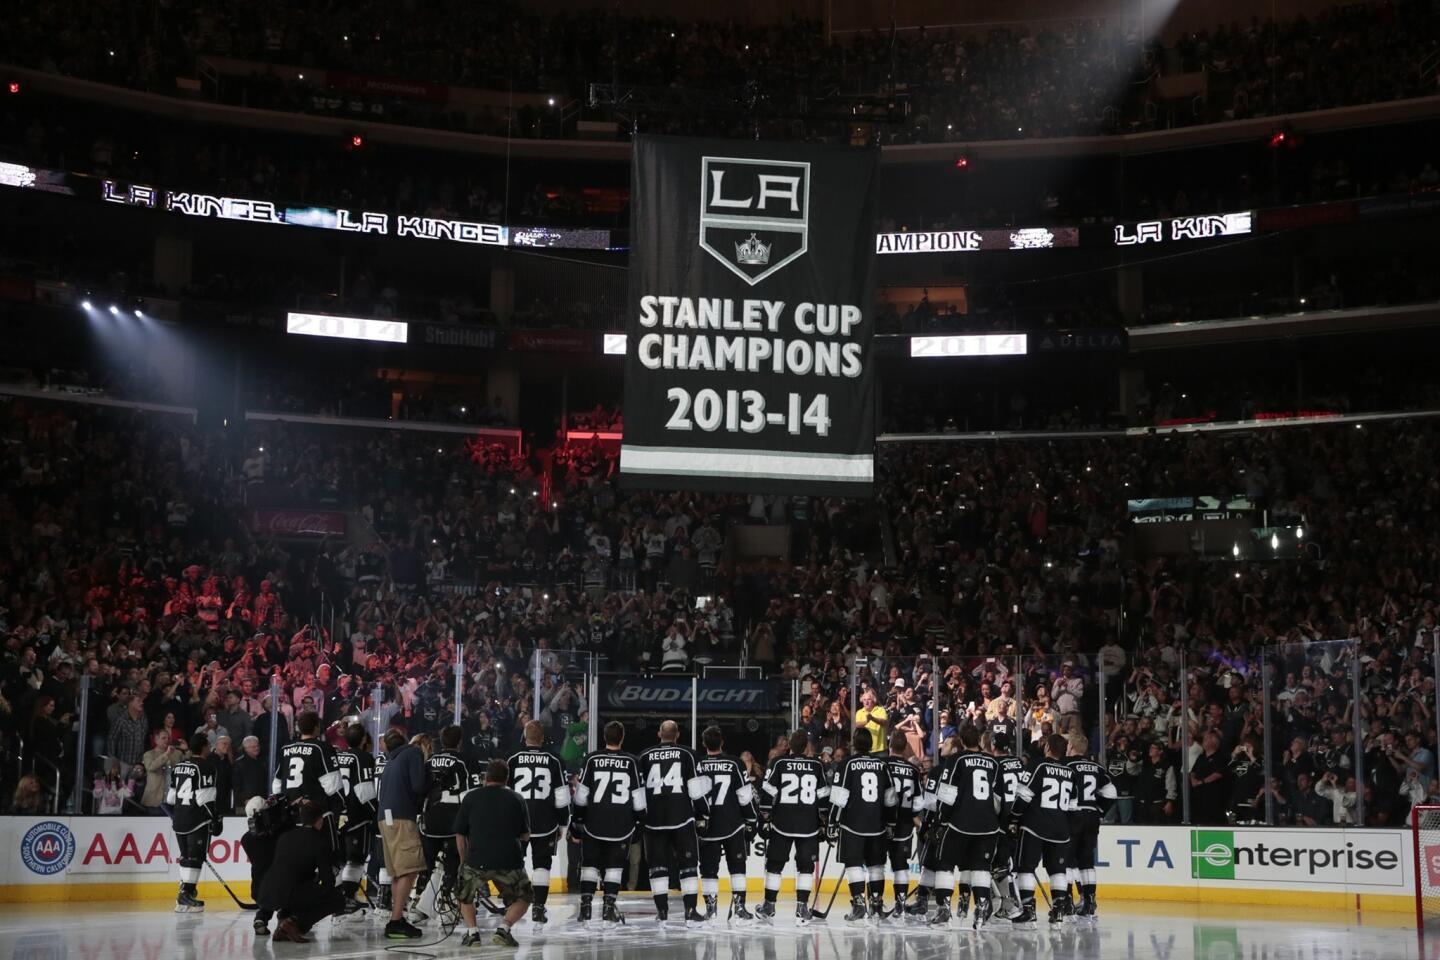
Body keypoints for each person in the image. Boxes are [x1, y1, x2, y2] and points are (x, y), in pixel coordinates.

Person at [454, 758, 534, 947]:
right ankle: (504, 929)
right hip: (508, 860)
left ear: (486, 777)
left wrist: (463, 862)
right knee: (526, 896)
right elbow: (525, 835)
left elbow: (460, 835)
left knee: (463, 894)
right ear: (507, 779)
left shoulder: (471, 797)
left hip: (476, 860)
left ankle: (472, 933)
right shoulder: (516, 798)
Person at [637, 719, 710, 924]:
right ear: (677, 735)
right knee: (688, 865)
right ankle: (690, 911)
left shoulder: (644, 755)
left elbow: (639, 790)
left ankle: (662, 911)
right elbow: (696, 790)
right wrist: (704, 813)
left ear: (659, 734)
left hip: (654, 821)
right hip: (682, 818)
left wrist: (640, 817)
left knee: (657, 867)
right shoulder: (688, 753)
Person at [572, 720, 644, 924]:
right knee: (614, 867)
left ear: (604, 737)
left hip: (594, 821)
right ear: (622, 737)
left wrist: (577, 818)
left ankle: (585, 908)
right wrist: (640, 820)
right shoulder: (632, 761)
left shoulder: (592, 758)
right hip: (622, 823)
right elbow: (638, 797)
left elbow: (581, 794)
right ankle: (608, 909)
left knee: (589, 864)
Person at [931, 726, 1001, 928]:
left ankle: (944, 910)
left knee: (945, 862)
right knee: (981, 867)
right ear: (978, 740)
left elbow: (947, 793)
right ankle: (980, 909)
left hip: (960, 823)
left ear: (961, 741)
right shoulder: (993, 763)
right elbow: (999, 799)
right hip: (988, 825)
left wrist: (941, 820)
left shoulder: (957, 760)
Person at [758, 729, 829, 922]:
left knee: (774, 865)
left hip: (782, 822)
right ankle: (802, 908)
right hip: (809, 825)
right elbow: (824, 796)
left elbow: (767, 792)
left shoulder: (778, 762)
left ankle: (769, 905)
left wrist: (764, 818)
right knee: (805, 867)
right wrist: (824, 822)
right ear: (806, 746)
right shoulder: (817, 764)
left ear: (789, 745)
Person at [829, 726, 897, 922]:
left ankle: (859, 905)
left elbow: (839, 796)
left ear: (854, 743)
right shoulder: (882, 765)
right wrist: (891, 822)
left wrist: (833, 822)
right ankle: (876, 905)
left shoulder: (848, 764)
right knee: (876, 865)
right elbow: (891, 798)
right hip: (878, 824)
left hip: (853, 824)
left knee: (854, 864)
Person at [506, 720, 570, 925]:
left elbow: (504, 792)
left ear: (524, 736)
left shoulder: (513, 758)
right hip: (545, 820)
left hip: (517, 820)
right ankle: (539, 908)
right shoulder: (554, 759)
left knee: (515, 862)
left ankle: (514, 901)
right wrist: (562, 823)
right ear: (542, 738)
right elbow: (562, 796)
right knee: (542, 864)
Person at [256, 799, 345, 943]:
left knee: (304, 886)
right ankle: (294, 924)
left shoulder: (285, 836)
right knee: (337, 899)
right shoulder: (319, 841)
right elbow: (328, 880)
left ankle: (286, 922)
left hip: (267, 892)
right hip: (289, 893)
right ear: (320, 820)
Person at [413, 725, 476, 925]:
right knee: (452, 865)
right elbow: (471, 795)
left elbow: (420, 789)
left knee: (428, 865)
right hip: (453, 821)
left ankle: (418, 906)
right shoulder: (466, 760)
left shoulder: (429, 761)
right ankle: (446, 906)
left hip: (430, 820)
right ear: (460, 741)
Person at [1012, 732, 1076, 925]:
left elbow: (1024, 794)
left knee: (1026, 867)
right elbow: (1073, 805)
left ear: (1047, 748)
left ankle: (1028, 909)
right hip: (1061, 829)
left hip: (1035, 826)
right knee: (1058, 870)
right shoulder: (1070, 772)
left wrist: (1013, 817)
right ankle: (1058, 909)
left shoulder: (1038, 764)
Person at [696, 725, 758, 920]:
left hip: (708, 827)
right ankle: (740, 907)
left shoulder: (698, 764)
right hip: (733, 825)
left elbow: (694, 796)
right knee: (737, 867)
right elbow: (744, 795)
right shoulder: (735, 763)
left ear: (704, 743)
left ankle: (711, 909)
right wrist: (752, 819)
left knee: (708, 869)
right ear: (722, 741)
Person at [377, 727, 430, 940]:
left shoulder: (391, 760)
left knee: (399, 871)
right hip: (401, 817)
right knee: (409, 870)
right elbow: (418, 786)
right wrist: (430, 775)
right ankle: (396, 921)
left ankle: (396, 917)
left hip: (385, 817)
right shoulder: (413, 753)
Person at [1064, 733, 1116, 919]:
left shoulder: (1067, 765)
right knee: (1086, 861)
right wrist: (1100, 810)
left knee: (1068, 860)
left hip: (1073, 814)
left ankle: (1067, 901)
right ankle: (1089, 901)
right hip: (1092, 815)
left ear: (1071, 747)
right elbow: (1111, 791)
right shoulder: (1096, 767)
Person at [272, 711, 343, 848]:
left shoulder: (286, 748)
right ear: (317, 727)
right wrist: (340, 809)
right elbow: (332, 786)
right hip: (317, 815)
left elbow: (276, 785)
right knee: (325, 860)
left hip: (291, 815)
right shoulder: (321, 748)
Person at [167, 733, 221, 913]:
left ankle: (184, 894)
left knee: (186, 857)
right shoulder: (207, 766)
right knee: (194, 857)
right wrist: (215, 818)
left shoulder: (179, 766)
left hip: (179, 818)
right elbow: (204, 799)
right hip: (196, 820)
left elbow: (171, 797)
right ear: (204, 747)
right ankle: (187, 894)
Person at [334, 723, 379, 917]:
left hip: (337, 816)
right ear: (363, 740)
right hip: (356, 817)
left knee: (340, 859)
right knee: (355, 860)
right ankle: (347, 899)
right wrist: (375, 814)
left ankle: (338, 899)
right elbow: (364, 791)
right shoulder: (364, 757)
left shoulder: (337, 756)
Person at [882, 730, 923, 916]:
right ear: (906, 747)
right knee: (900, 864)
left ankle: (876, 902)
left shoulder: (882, 764)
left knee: (876, 864)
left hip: (881, 820)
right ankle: (900, 904)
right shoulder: (913, 770)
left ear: (889, 745)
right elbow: (918, 801)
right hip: (905, 822)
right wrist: (914, 816)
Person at [241, 793, 292, 937]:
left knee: (266, 901)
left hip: (258, 890)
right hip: (281, 888)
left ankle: (261, 918)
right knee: (285, 891)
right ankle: (285, 917)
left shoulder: (246, 839)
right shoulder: (280, 834)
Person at [142, 729, 184, 814]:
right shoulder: (149, 754)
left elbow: (187, 766)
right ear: (156, 740)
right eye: (163, 738)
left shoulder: (178, 754)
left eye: (168, 738)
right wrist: (166, 754)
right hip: (154, 800)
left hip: (173, 800)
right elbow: (151, 767)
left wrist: (186, 750)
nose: (167, 740)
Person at [232, 735, 267, 813]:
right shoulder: (239, 764)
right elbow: (236, 786)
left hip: (262, 803)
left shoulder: (262, 762)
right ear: (246, 748)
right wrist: (244, 800)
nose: (257, 748)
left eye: (257, 745)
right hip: (245, 805)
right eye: (253, 747)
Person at [853, 689, 888, 755]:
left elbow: (883, 722)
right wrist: (867, 721)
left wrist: (872, 718)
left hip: (880, 749)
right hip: (864, 749)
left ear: (873, 701)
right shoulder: (859, 712)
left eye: (869, 699)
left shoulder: (881, 710)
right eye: (864, 700)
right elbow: (857, 725)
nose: (866, 702)